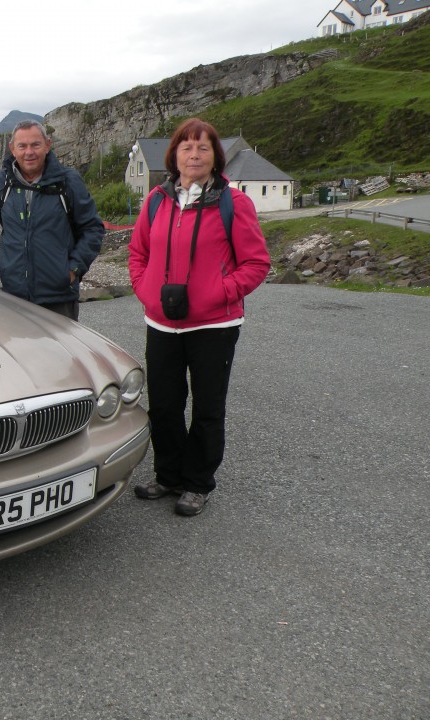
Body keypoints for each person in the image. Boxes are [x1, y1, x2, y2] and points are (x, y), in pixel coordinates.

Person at [128, 118, 271, 516]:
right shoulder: (157, 200)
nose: (194, 154)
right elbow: (138, 254)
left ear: (215, 157)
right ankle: (169, 475)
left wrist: (218, 294)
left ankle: (198, 483)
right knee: (165, 405)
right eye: (186, 147)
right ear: (174, 155)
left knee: (208, 408)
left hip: (214, 326)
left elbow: (256, 263)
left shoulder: (234, 203)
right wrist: (146, 292)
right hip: (162, 324)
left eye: (203, 147)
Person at [0, 120, 105, 320]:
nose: (29, 152)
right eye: (22, 146)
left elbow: (93, 229)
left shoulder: (67, 182)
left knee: (58, 352)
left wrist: (73, 269)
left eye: (35, 145)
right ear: (12, 149)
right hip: (13, 298)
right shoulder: (3, 182)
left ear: (47, 145)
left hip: (59, 300)